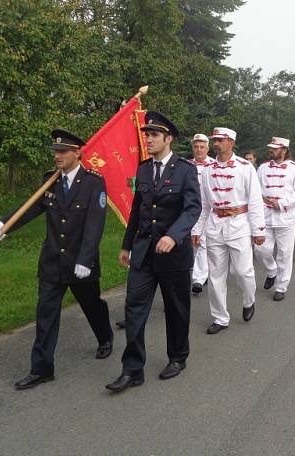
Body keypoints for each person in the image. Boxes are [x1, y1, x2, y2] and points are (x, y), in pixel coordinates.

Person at [0, 129, 113, 390]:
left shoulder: (93, 182)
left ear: (77, 153)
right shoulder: (50, 181)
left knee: (92, 305)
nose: (57, 156)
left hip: (81, 264)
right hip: (53, 261)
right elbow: (30, 207)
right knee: (45, 314)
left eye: (63, 151)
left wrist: (86, 258)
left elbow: (95, 223)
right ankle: (42, 368)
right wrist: (4, 225)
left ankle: (105, 337)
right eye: (55, 151)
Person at [106, 112, 201, 393]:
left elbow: (192, 208)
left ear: (168, 139)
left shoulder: (185, 169)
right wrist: (126, 244)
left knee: (176, 309)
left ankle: (177, 357)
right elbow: (138, 210)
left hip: (174, 255)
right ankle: (132, 369)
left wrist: (174, 235)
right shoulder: (144, 169)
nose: (148, 139)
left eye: (154, 135)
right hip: (144, 252)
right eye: (146, 135)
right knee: (134, 309)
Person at [192, 127, 265, 334]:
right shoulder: (207, 169)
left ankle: (249, 300)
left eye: (220, 140)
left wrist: (258, 229)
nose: (216, 144)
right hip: (215, 225)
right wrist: (197, 229)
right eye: (214, 140)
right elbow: (204, 204)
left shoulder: (245, 167)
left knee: (243, 272)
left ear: (231, 142)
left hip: (239, 224)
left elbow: (255, 200)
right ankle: (220, 317)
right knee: (215, 275)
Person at [254, 137, 295, 301]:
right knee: (261, 249)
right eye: (271, 148)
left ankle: (281, 286)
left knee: (284, 253)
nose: (272, 150)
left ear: (284, 150)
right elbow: (256, 191)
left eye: (275, 148)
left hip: (286, 217)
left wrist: (282, 203)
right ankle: (271, 270)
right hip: (265, 215)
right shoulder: (262, 168)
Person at [189, 133, 215, 294]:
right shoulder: (185, 165)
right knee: (192, 242)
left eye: (202, 147)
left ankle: (198, 279)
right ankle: (199, 274)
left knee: (203, 242)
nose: (199, 150)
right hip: (189, 209)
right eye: (196, 147)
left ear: (208, 148)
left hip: (209, 210)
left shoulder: (214, 165)